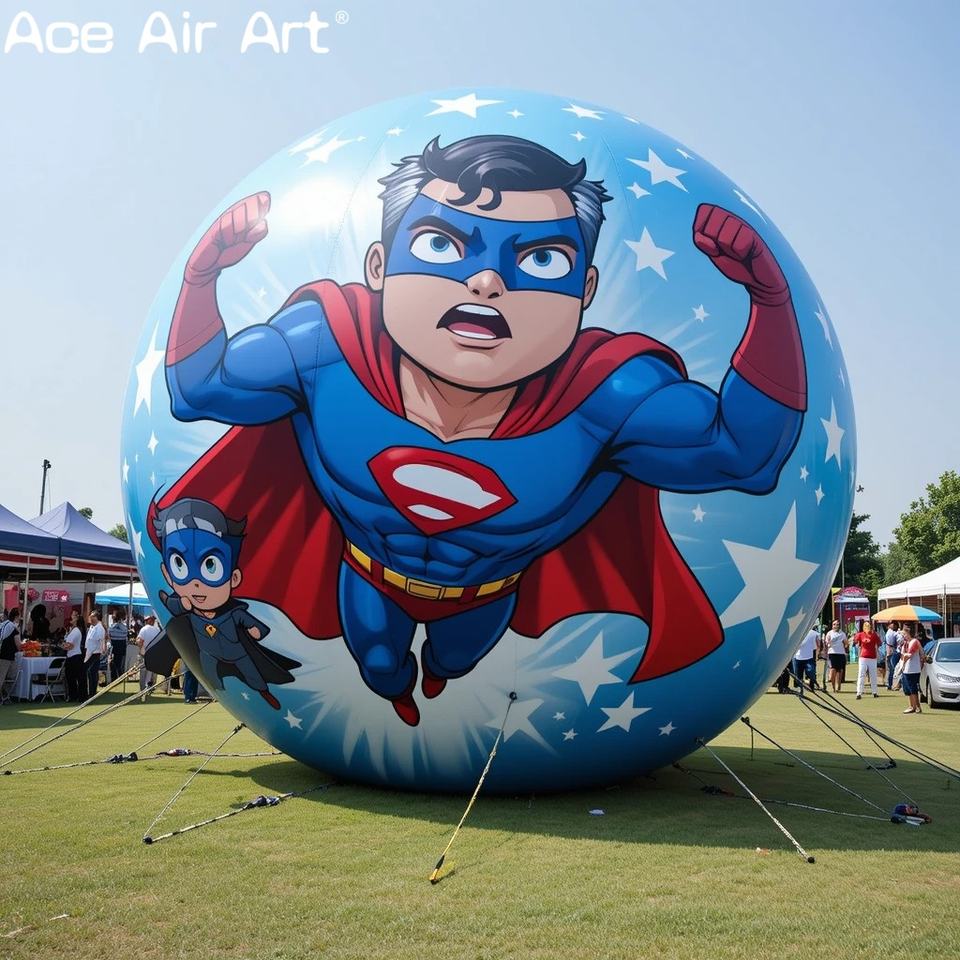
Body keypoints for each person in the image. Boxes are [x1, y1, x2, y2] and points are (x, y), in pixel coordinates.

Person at [158, 135, 807, 727]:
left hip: (487, 594)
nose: (487, 280)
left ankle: (439, 676)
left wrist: (771, 305)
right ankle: (400, 689)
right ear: (379, 266)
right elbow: (199, 388)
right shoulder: (324, 348)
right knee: (380, 666)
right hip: (370, 575)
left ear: (585, 291)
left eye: (540, 259)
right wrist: (201, 278)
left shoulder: (604, 397)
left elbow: (744, 456)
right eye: (441, 246)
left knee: (455, 659)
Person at [62, 610, 87, 702]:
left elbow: (70, 645)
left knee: (74, 677)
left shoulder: (76, 630)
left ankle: (78, 696)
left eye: (72, 616)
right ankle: (75, 695)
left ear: (76, 618)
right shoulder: (73, 630)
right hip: (73, 655)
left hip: (75, 656)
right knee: (72, 677)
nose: (71, 618)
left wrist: (62, 645)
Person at [853, 617, 881, 699]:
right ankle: (859, 692)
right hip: (863, 657)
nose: (868, 627)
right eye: (866, 626)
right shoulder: (860, 634)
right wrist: (856, 641)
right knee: (861, 674)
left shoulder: (874, 635)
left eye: (869, 626)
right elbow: (855, 642)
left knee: (873, 675)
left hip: (872, 657)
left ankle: (874, 692)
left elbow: (879, 643)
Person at [899, 623, 924, 714]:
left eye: (904, 634)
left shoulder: (914, 642)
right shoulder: (905, 643)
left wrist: (904, 658)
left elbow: (909, 655)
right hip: (906, 669)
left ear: (908, 633)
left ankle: (917, 707)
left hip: (913, 669)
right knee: (908, 689)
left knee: (913, 688)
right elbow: (902, 655)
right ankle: (912, 706)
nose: (903, 636)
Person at [135, 613, 160, 699]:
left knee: (143, 673)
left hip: (144, 653)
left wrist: (140, 648)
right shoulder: (157, 630)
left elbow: (140, 641)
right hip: (154, 654)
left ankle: (142, 690)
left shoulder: (144, 629)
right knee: (152, 673)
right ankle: (150, 688)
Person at [0, 608, 22, 698]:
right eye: (19, 616)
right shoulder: (13, 628)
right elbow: (18, 645)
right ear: (16, 616)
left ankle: (4, 695)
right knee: (3, 677)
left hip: (2, 653)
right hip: (6, 655)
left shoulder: (3, 624)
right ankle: (4, 695)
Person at [84, 611, 106, 696]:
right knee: (91, 672)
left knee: (92, 671)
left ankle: (92, 692)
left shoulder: (99, 628)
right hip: (90, 652)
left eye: (93, 616)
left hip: (95, 652)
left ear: (97, 617)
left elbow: (100, 641)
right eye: (90, 616)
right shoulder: (92, 627)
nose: (91, 618)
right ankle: (91, 691)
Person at [824, 618, 849, 693]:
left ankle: (839, 685)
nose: (836, 626)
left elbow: (846, 643)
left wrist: (846, 645)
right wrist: (828, 643)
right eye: (834, 624)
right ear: (832, 626)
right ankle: (833, 687)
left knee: (840, 670)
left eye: (837, 624)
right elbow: (826, 643)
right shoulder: (829, 633)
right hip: (832, 653)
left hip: (841, 653)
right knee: (833, 670)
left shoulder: (842, 634)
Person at [793, 625, 819, 692]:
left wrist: (817, 655)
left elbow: (816, 646)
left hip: (809, 657)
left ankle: (811, 684)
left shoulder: (813, 633)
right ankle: (800, 688)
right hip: (798, 657)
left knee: (811, 672)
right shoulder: (797, 632)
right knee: (798, 675)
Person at [107, 611, 129, 683]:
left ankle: (114, 678)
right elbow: (125, 635)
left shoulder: (111, 627)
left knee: (113, 664)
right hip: (122, 648)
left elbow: (109, 635)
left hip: (114, 647)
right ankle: (120, 678)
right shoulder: (125, 628)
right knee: (119, 665)